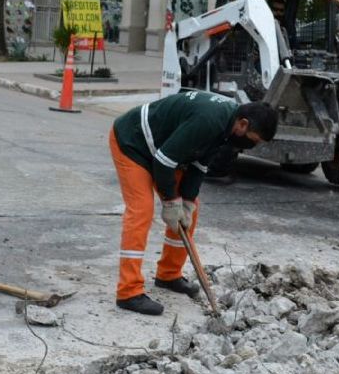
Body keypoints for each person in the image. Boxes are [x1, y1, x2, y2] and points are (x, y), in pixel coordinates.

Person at [109, 91, 278, 315]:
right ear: (243, 123)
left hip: (163, 151)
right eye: (253, 140)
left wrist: (186, 201)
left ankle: (169, 275)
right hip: (133, 143)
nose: (250, 146)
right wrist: (170, 201)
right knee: (141, 210)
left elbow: (199, 165)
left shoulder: (227, 128)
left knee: (192, 210)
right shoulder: (209, 120)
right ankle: (128, 292)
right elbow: (164, 161)